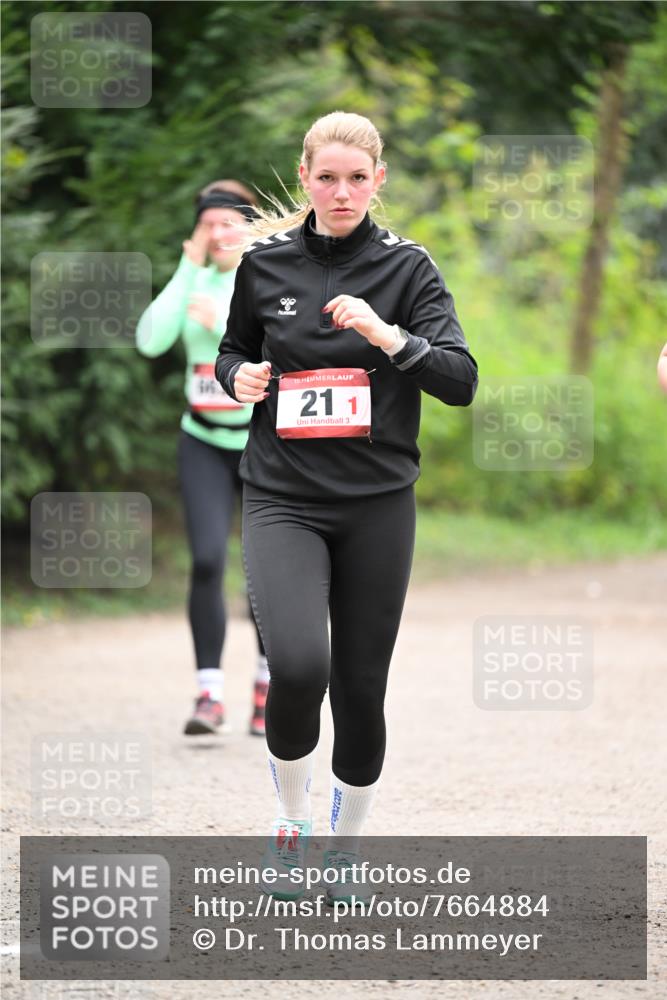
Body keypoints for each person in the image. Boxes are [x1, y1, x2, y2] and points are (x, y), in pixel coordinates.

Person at [216, 112, 479, 901]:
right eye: (326, 178)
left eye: (356, 179)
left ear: (378, 181)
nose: (340, 192)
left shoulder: (409, 270)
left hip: (375, 503)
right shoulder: (263, 265)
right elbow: (233, 349)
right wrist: (239, 380)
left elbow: (460, 381)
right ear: (304, 178)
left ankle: (345, 850)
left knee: (360, 687)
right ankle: (291, 826)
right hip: (282, 498)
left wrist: (389, 337)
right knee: (298, 664)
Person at [136, 180, 269, 738]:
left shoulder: (262, 278)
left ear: (249, 225)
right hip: (203, 441)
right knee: (209, 560)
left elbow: (282, 350)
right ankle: (209, 694)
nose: (218, 232)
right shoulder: (195, 279)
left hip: (262, 442)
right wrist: (189, 267)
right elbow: (149, 339)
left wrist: (219, 326)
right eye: (209, 223)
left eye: (229, 222)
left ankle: (266, 690)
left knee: (265, 571)